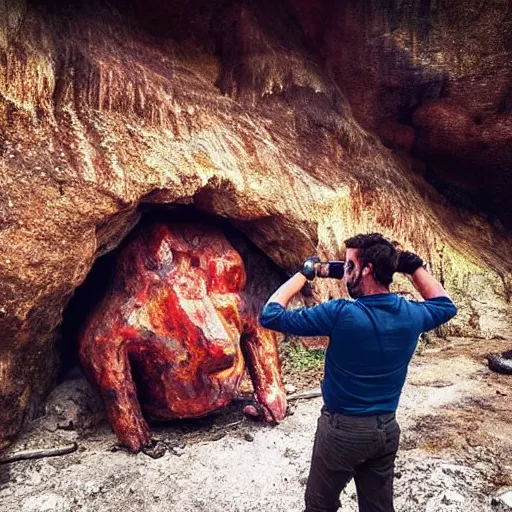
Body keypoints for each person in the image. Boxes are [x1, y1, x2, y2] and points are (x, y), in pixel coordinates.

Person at [259, 233, 457, 512]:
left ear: (368, 270)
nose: (344, 274)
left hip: (342, 432)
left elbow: (270, 314)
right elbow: (446, 305)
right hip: (386, 430)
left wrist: (303, 275)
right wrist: (414, 268)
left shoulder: (341, 313)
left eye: (349, 266)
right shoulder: (412, 314)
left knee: (319, 506)